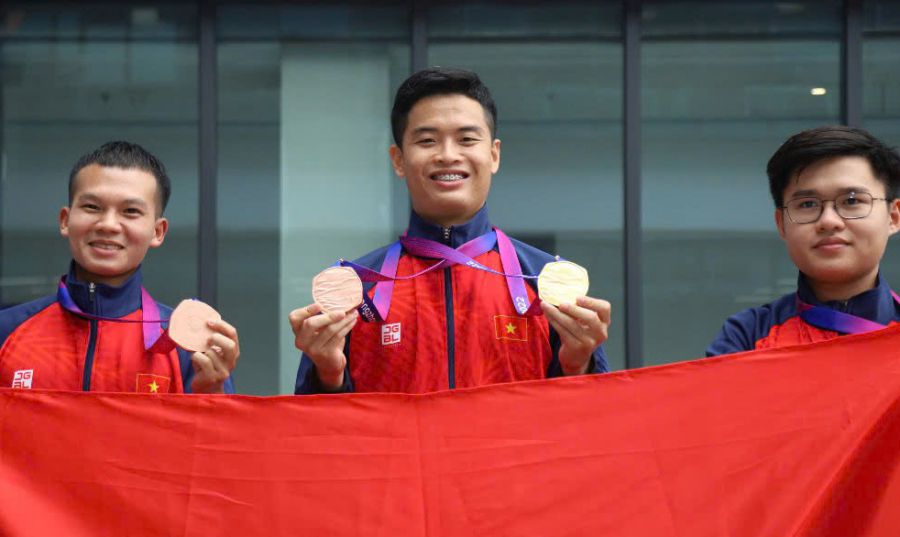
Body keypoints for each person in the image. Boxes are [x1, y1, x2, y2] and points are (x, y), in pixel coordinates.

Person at [291, 67, 611, 394]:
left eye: (467, 139)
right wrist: (328, 376)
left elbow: (588, 429)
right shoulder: (354, 288)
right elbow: (320, 437)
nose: (447, 155)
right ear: (398, 160)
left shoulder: (546, 282)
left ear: (493, 154)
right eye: (427, 140)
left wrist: (578, 364)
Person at [0, 141, 239, 393]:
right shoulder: (7, 331)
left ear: (157, 232)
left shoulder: (185, 346)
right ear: (65, 220)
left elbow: (216, 433)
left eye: (130, 211)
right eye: (92, 207)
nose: (108, 225)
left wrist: (211, 396)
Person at [707, 126, 900, 356]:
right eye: (807, 204)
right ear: (781, 224)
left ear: (893, 217)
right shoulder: (747, 335)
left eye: (851, 201)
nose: (829, 221)